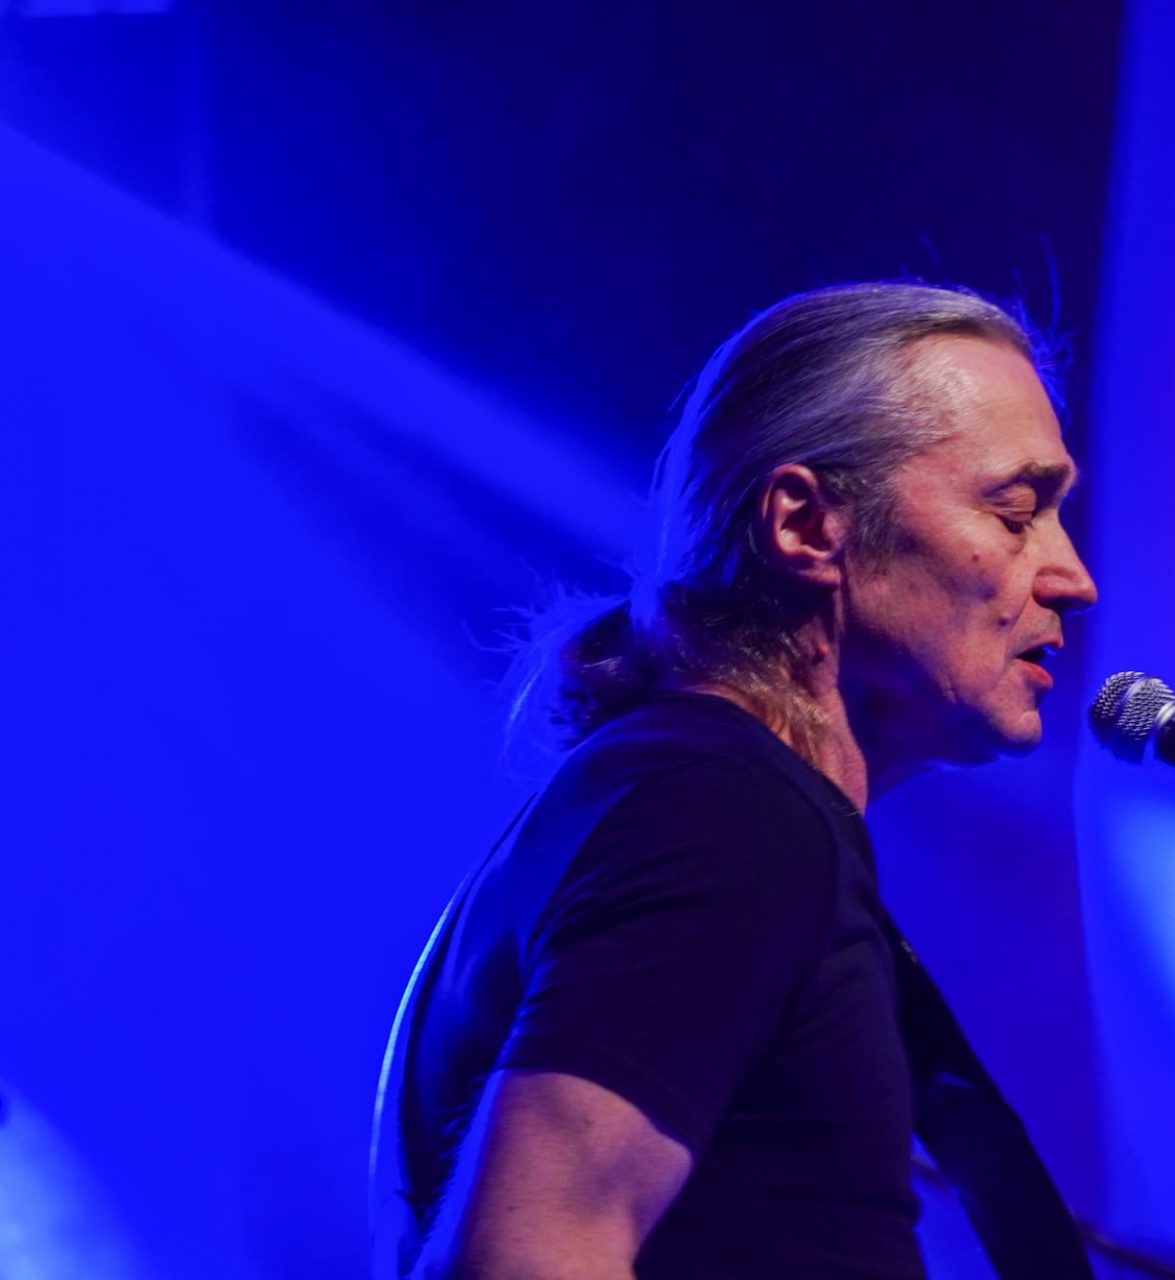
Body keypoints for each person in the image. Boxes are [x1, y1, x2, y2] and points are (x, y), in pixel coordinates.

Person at [368, 281, 1099, 1279]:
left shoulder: (692, 801)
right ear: (804, 525)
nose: (1073, 576)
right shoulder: (723, 814)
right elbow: (526, 1259)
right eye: (1015, 511)